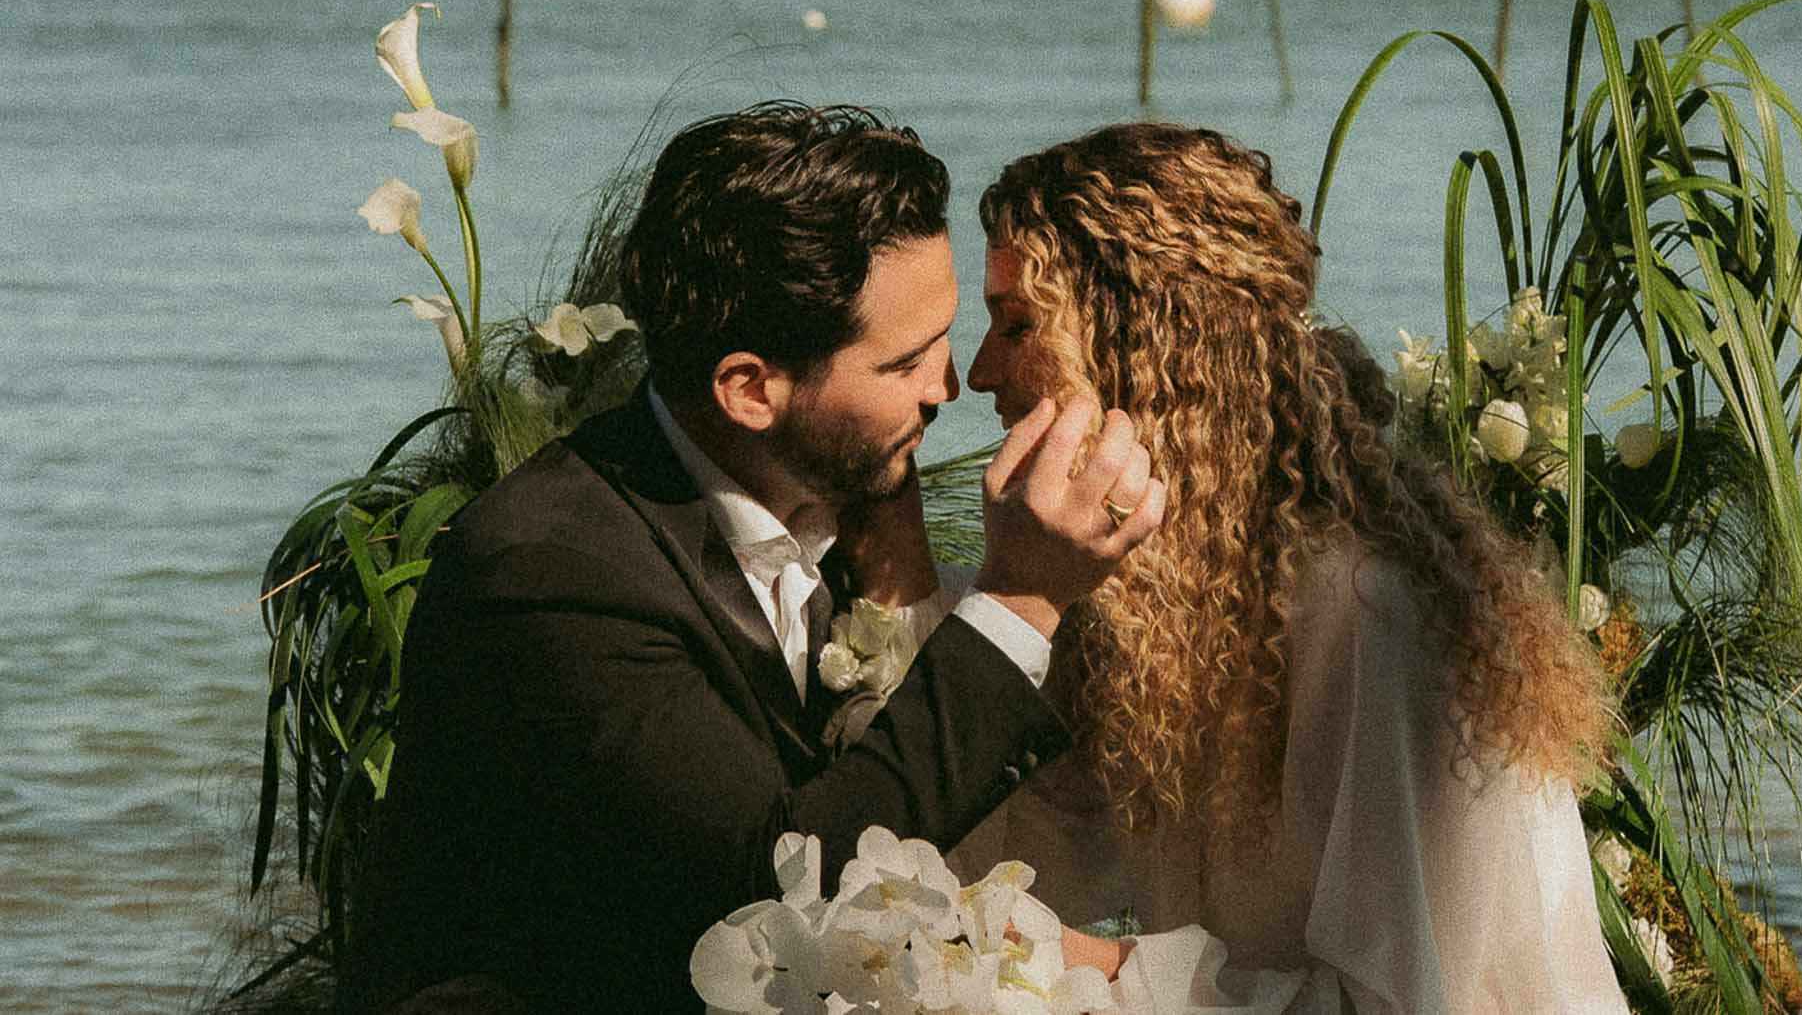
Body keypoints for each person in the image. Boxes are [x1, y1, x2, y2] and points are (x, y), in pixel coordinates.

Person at [338, 103, 1165, 1015]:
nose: (949, 386)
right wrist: (1024, 595)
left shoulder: (825, 481)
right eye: (903, 365)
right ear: (749, 390)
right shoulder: (552, 573)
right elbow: (787, 876)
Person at [955, 121, 1629, 1015]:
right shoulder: (1153, 597)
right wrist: (966, 586)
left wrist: (1115, 970)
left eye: (1017, 325)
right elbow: (1015, 869)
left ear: (1147, 348)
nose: (977, 373)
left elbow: (1401, 1007)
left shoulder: (1367, 612)